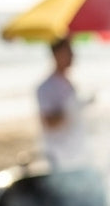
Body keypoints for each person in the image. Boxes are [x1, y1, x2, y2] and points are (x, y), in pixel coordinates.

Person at [35, 36, 93, 170]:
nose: (73, 55)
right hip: (58, 155)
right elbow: (49, 123)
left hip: (76, 152)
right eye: (69, 51)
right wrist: (73, 110)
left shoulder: (69, 84)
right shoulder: (45, 87)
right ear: (56, 54)